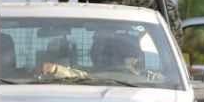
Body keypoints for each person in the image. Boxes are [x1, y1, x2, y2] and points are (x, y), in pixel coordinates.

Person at [35, 33, 163, 81]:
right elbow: (79, 76)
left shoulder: (148, 79)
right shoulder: (98, 76)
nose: (131, 57)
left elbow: (173, 83)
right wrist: (55, 69)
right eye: (125, 52)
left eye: (132, 53)